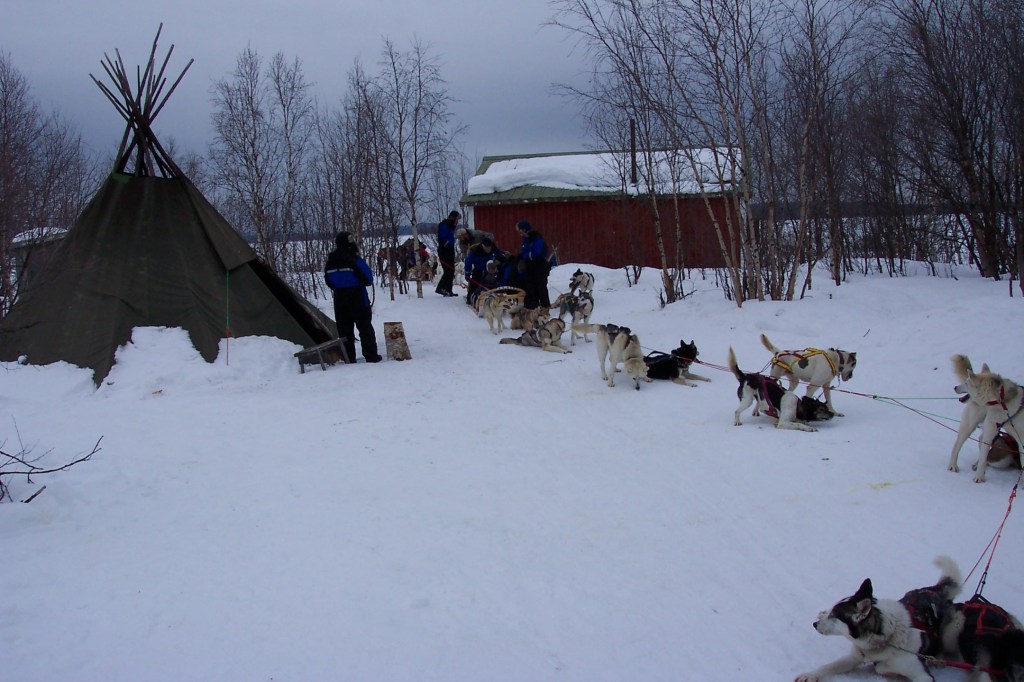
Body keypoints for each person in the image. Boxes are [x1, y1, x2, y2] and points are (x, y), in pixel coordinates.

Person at [324, 231, 382, 363]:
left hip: (339, 298)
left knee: (344, 331)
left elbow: (328, 281)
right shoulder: (354, 260)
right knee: (365, 327)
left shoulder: (330, 261)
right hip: (357, 296)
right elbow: (368, 279)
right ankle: (371, 355)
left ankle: (349, 358)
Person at [515, 220, 551, 309]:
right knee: (531, 287)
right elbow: (524, 251)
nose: (520, 234)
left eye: (520, 231)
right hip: (530, 267)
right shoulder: (526, 239)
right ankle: (533, 307)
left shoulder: (536, 238)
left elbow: (536, 253)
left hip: (539, 266)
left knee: (541, 287)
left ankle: (545, 307)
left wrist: (525, 255)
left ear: (524, 229)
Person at [464, 237, 496, 306]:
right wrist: (467, 273)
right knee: (474, 282)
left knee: (491, 282)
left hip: (489, 270)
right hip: (478, 270)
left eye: (490, 247)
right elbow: (468, 262)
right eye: (487, 248)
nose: (489, 249)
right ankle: (470, 297)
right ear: (483, 246)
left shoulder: (492, 250)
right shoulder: (475, 251)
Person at [435, 210, 460, 297]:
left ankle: (448, 290)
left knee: (451, 270)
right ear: (453, 218)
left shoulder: (450, 226)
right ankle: (441, 288)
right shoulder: (445, 225)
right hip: (444, 251)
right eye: (457, 219)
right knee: (448, 270)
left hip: (450, 251)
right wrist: (447, 244)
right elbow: (443, 238)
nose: (457, 221)